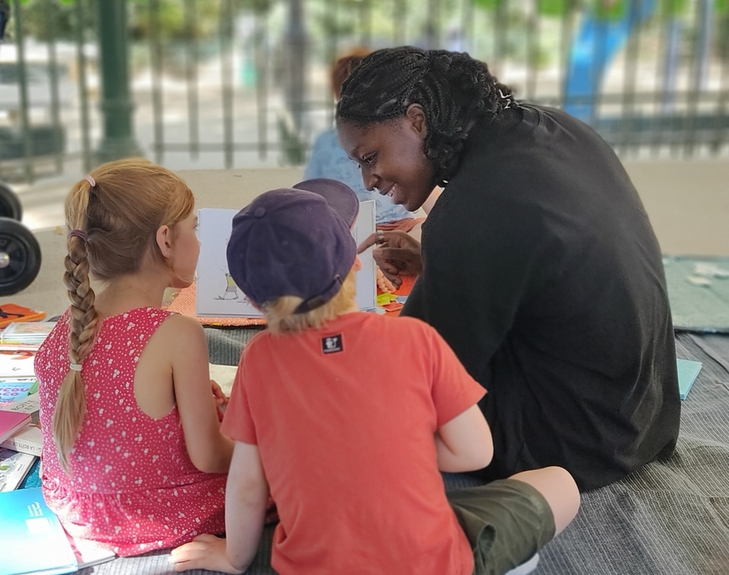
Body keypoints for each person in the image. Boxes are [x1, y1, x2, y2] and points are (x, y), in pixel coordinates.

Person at [168, 187, 580, 575]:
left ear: (252, 302)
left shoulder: (258, 359)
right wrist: (393, 442)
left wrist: (233, 558)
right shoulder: (414, 338)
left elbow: (246, 485)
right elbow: (476, 451)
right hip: (433, 560)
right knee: (561, 484)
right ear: (356, 263)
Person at [336, 47, 680, 491]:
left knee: (363, 395)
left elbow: (415, 374)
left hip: (573, 445)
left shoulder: (471, 210)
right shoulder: (558, 128)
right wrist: (436, 262)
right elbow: (538, 254)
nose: (368, 181)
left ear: (417, 121)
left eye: (370, 158)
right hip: (645, 413)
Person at [35, 158, 233, 556]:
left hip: (75, 508)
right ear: (165, 240)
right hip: (152, 514)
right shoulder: (177, 332)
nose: (199, 242)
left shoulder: (71, 323)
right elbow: (211, 457)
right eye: (194, 228)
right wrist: (264, 445)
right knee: (294, 456)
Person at [303, 47, 426, 234]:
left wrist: (422, 222)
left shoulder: (399, 135)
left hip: (396, 226)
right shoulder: (326, 143)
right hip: (351, 229)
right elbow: (310, 196)